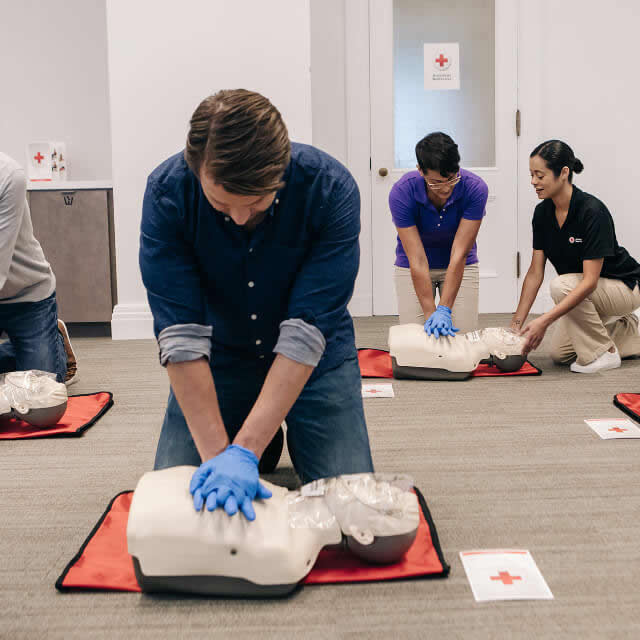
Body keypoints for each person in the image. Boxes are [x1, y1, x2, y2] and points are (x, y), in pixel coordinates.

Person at [140, 89, 374, 521]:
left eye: (257, 202)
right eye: (221, 204)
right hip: (222, 359)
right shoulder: (167, 193)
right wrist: (218, 460)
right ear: (197, 173)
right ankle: (262, 440)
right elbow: (181, 336)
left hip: (317, 363)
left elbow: (307, 330)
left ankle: (259, 438)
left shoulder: (330, 188)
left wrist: (241, 451)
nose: (240, 217)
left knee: (351, 514)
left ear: (280, 169)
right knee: (179, 510)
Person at [513, 140, 640, 373]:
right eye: (531, 175)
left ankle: (606, 352)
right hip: (585, 291)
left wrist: (544, 321)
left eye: (540, 175)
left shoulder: (592, 210)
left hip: (625, 287)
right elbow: (534, 272)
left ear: (563, 173)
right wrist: (516, 325)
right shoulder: (542, 213)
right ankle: (631, 331)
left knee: (561, 286)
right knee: (561, 354)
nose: (533, 182)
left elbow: (590, 281)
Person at [389, 132, 488, 338]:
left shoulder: (475, 188)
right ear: (420, 170)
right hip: (413, 265)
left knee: (462, 341)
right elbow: (416, 258)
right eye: (435, 182)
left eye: (451, 179)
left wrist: (443, 310)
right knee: (415, 342)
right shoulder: (402, 192)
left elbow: (459, 253)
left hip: (460, 263)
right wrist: (430, 313)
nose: (445, 189)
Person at [0, 152, 78, 386]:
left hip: (26, 296)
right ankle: (24, 350)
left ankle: (56, 343)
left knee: (38, 395)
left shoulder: (8, 176)